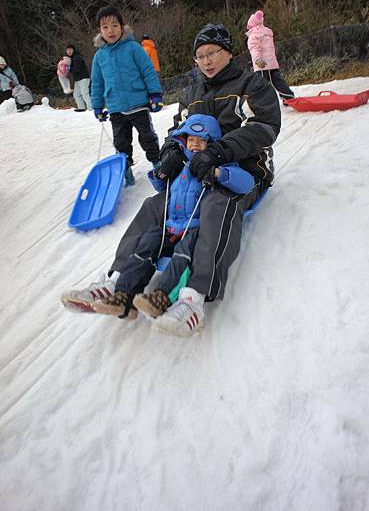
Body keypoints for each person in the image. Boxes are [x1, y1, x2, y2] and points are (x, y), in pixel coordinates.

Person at [61, 23, 281, 337]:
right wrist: (170, 154)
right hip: (195, 170)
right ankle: (117, 282)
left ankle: (194, 297)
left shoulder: (250, 86)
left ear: (228, 53)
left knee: (218, 205)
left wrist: (219, 152)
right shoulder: (192, 94)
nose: (206, 61)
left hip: (240, 170)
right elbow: (175, 133)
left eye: (212, 53)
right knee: (155, 205)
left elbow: (265, 126)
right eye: (200, 56)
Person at [83, 114, 255, 322]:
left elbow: (246, 184)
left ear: (211, 144)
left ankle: (162, 297)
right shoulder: (179, 163)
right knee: (145, 247)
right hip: (169, 225)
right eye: (191, 140)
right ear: (184, 141)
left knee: (182, 256)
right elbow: (159, 186)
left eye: (201, 141)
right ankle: (123, 296)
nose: (195, 145)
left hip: (193, 227)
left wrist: (218, 173)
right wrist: (162, 171)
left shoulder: (217, 164)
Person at [91, 7, 163, 186]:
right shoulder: (99, 57)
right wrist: (97, 106)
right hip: (116, 108)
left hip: (138, 103)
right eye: (105, 27)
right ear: (99, 31)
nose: (111, 30)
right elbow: (97, 83)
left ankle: (158, 164)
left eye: (115, 25)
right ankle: (126, 170)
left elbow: (148, 71)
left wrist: (155, 94)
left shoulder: (133, 48)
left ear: (122, 27)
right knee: (121, 143)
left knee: (148, 138)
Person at [246, 10, 294, 99]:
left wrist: (258, 61)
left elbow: (255, 50)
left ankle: (260, 101)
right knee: (277, 81)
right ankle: (288, 95)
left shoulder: (253, 36)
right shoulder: (267, 32)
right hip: (272, 63)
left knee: (261, 84)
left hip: (262, 64)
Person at [65, 44, 92, 112]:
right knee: (76, 94)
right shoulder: (71, 58)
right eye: (68, 50)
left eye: (70, 50)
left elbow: (77, 69)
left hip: (83, 78)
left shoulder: (77, 57)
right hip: (78, 79)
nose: (69, 51)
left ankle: (91, 109)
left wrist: (68, 69)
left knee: (85, 93)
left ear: (74, 50)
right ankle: (81, 108)